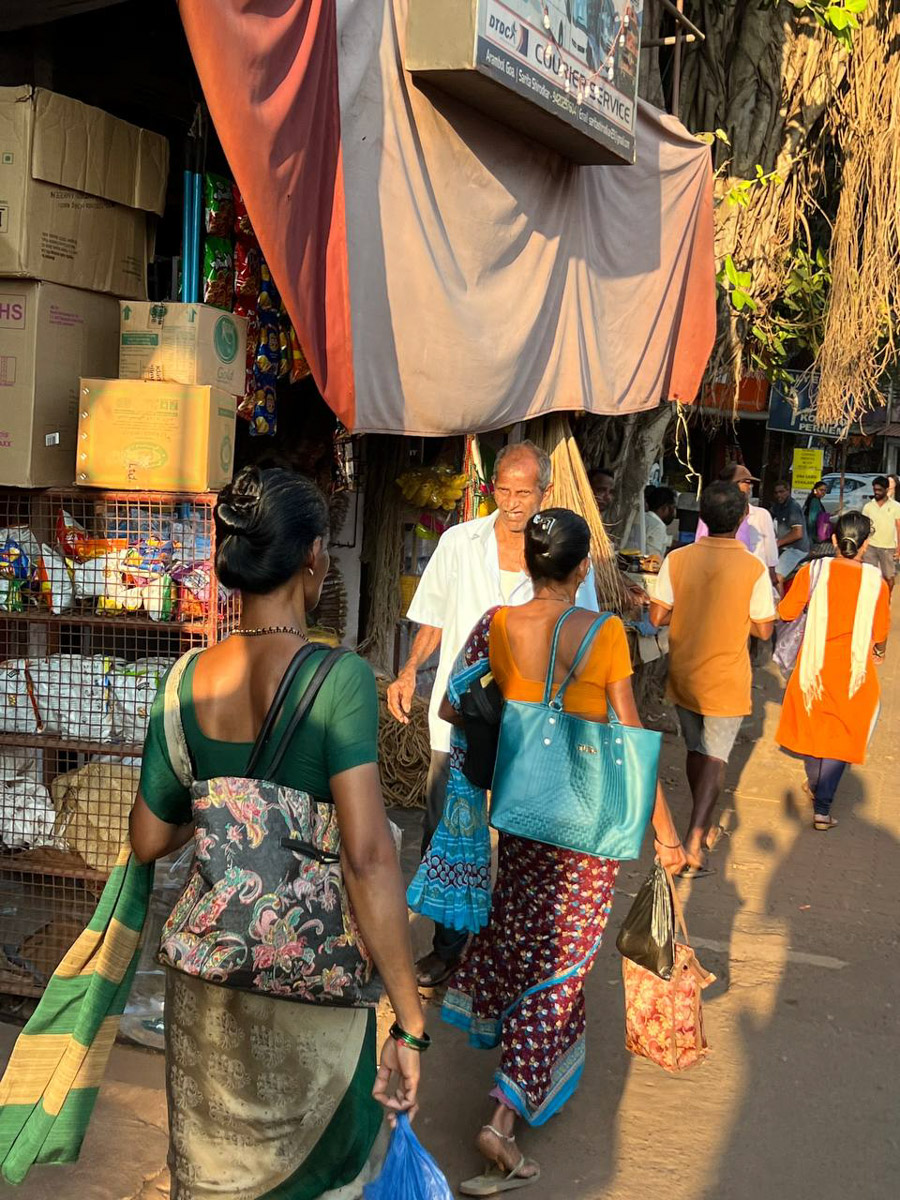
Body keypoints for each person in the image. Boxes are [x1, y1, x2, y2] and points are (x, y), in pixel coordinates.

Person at [129, 467, 425, 1199]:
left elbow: (147, 839)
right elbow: (366, 856)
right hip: (313, 989)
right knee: (317, 1180)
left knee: (211, 1180)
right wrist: (410, 1019)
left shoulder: (185, 680)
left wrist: (228, 808)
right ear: (313, 558)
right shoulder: (341, 680)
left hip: (208, 986)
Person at [441, 509, 687, 1195]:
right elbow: (632, 738)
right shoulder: (604, 633)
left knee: (525, 938)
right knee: (565, 962)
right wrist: (664, 835)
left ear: (528, 563)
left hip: (519, 813)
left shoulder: (497, 624)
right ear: (582, 568)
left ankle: (528, 1073)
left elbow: (456, 707)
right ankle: (503, 1117)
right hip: (585, 825)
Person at [388, 442, 598, 988]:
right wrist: (410, 669)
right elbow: (432, 617)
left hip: (534, 728)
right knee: (446, 833)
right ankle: (448, 947)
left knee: (525, 843)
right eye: (502, 490)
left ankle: (508, 956)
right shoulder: (460, 543)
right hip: (459, 724)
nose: (510, 502)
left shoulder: (564, 551)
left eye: (523, 493)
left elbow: (584, 637)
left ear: (544, 492)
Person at [650, 482, 776, 875]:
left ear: (701, 516)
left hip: (686, 670)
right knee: (716, 758)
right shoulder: (753, 568)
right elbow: (764, 630)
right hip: (726, 674)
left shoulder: (678, 558)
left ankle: (699, 827)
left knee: (696, 750)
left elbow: (657, 616)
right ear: (742, 519)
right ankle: (694, 840)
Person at [776, 511, 889, 831]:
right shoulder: (876, 583)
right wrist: (878, 652)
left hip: (812, 666)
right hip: (855, 671)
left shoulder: (813, 571)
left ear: (835, 540)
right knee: (843, 736)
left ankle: (815, 787)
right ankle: (822, 808)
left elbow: (786, 612)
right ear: (866, 544)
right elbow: (880, 632)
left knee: (814, 728)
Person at [695, 464, 778, 584]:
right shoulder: (711, 513)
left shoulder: (762, 515)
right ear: (732, 485)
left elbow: (770, 551)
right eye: (746, 482)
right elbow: (700, 543)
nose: (750, 487)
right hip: (718, 577)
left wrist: (771, 576)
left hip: (754, 578)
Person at [862, 475, 900, 596]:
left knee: (889, 577)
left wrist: (899, 548)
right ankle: (873, 600)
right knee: (870, 576)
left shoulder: (896, 507)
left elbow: (899, 527)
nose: (876, 492)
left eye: (879, 490)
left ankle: (887, 599)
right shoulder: (868, 507)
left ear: (887, 489)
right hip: (870, 547)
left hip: (888, 548)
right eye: (875, 490)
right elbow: (864, 528)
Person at [771, 480, 811, 585]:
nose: (779, 495)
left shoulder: (793, 507)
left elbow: (798, 533)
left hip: (796, 549)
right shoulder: (778, 506)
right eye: (776, 493)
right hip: (784, 548)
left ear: (788, 491)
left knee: (776, 576)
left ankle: (779, 601)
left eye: (781, 492)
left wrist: (778, 543)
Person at [644, 485, 676, 562]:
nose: (674, 512)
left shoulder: (645, 518)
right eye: (673, 507)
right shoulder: (658, 526)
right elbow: (654, 558)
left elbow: (666, 541)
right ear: (665, 507)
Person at [803, 480, 830, 545]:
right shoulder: (814, 501)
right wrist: (814, 537)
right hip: (811, 536)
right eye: (821, 490)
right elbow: (812, 520)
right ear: (815, 490)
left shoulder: (813, 499)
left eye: (825, 490)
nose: (823, 492)